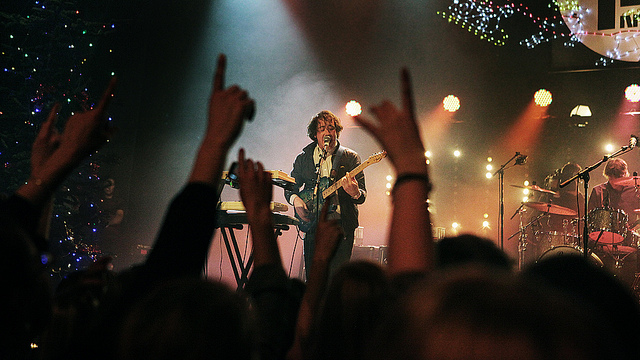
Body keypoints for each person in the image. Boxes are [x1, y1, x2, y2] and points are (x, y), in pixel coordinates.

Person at [285, 110, 366, 279]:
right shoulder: (304, 158)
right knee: (313, 279)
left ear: (336, 131)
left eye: (331, 128)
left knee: (336, 279)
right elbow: (290, 186)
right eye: (322, 129)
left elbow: (362, 196)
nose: (327, 132)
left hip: (341, 228)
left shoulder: (350, 158)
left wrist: (355, 192)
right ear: (315, 135)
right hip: (313, 227)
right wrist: (296, 201)